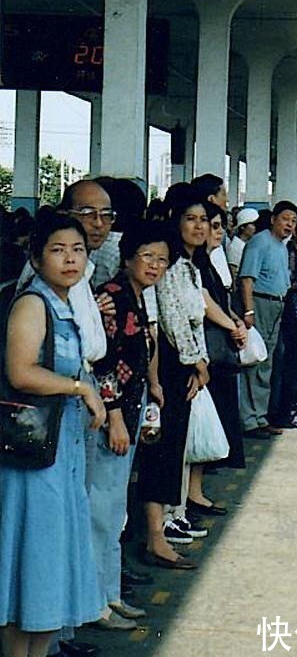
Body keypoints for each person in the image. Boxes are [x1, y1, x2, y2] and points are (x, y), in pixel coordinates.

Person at [0, 212, 106, 657]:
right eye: (58, 250)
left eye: (77, 250)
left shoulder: (66, 304)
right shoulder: (32, 304)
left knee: (50, 568)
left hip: (62, 455)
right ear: (36, 257)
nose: (70, 259)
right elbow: (21, 372)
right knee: (31, 564)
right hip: (32, 460)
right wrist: (80, 387)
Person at [90, 222, 172, 629]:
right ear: (127, 258)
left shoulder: (138, 296)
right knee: (102, 510)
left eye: (162, 259)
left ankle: (109, 595)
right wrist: (116, 417)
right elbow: (103, 362)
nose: (155, 265)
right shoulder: (113, 296)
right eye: (147, 257)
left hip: (131, 407)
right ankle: (96, 603)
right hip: (111, 417)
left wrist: (152, 386)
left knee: (115, 508)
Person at [136, 191, 210, 569]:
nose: (199, 227)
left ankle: (166, 523)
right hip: (169, 365)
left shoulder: (189, 268)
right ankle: (157, 534)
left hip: (186, 365)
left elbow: (194, 318)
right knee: (162, 450)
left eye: (204, 220)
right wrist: (196, 362)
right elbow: (172, 319)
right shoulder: (170, 266)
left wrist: (201, 362)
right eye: (191, 219)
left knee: (175, 448)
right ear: (175, 222)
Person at [193, 203, 247, 482]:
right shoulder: (196, 263)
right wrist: (233, 325)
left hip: (221, 339)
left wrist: (235, 321)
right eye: (211, 225)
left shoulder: (213, 259)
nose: (215, 232)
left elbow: (221, 300)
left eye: (217, 225)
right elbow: (205, 302)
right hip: (209, 344)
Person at [237, 201, 297, 438]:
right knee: (255, 361)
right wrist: (249, 311)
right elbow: (246, 279)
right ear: (273, 219)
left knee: (266, 363)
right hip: (260, 304)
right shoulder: (260, 242)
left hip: (277, 305)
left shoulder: (281, 246)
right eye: (285, 219)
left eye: (293, 221)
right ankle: (250, 420)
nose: (289, 225)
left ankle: (260, 417)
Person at [268, 216, 297, 429]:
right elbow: (289, 283)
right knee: (290, 364)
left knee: (293, 364)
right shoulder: (290, 254)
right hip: (293, 314)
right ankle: (285, 412)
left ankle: (288, 410)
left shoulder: (296, 253)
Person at [226, 207, 259, 280]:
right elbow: (233, 273)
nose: (255, 228)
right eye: (253, 224)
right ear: (242, 227)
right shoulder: (235, 247)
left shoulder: (248, 243)